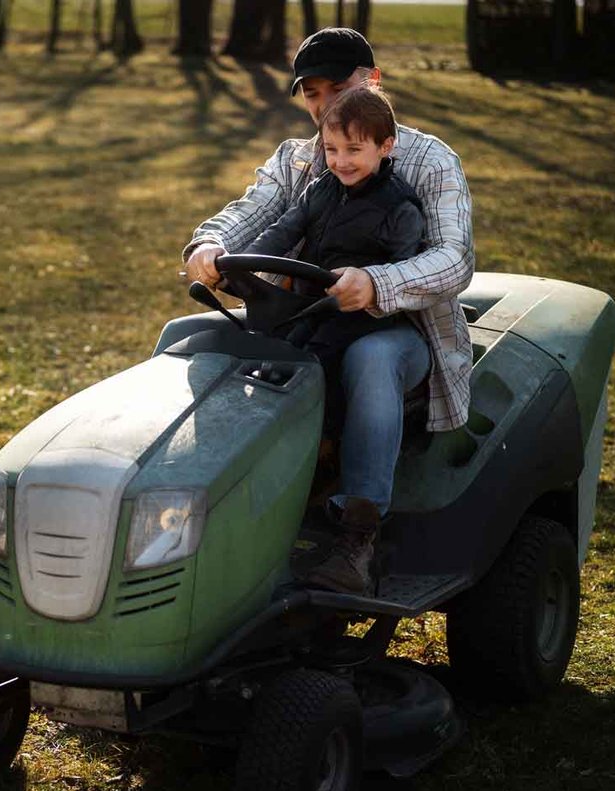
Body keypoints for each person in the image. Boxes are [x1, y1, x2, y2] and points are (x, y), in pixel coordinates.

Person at [182, 27, 475, 596]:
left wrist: (378, 282)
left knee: (370, 358)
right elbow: (253, 214)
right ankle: (183, 492)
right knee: (188, 335)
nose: (324, 106)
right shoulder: (297, 161)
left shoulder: (430, 160)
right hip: (306, 313)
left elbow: (454, 259)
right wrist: (210, 245)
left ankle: (356, 537)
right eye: (312, 94)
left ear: (373, 81)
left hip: (403, 330)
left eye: (338, 89)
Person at [240, 85, 423, 377]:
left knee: (306, 365)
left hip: (357, 316)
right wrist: (244, 263)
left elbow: (403, 274)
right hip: (308, 306)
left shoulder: (400, 208)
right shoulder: (320, 189)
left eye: (353, 150)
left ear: (385, 146)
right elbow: (283, 231)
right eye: (331, 149)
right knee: (257, 351)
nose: (340, 161)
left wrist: (371, 288)